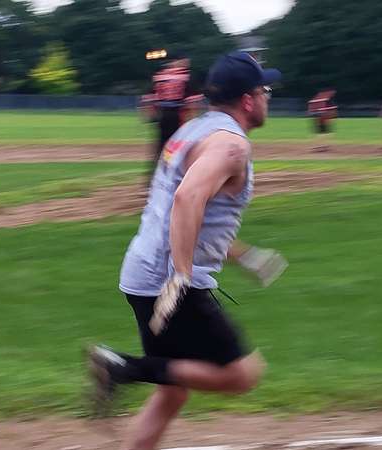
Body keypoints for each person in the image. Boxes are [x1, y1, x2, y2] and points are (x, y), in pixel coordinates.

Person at [88, 52, 287, 450]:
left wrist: (243, 255)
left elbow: (196, 217)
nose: (268, 97)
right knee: (241, 375)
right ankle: (122, 367)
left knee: (174, 387)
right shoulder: (231, 146)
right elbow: (187, 198)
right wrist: (181, 275)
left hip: (141, 274)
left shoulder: (193, 131)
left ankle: (127, 371)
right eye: (264, 90)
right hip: (169, 283)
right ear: (248, 100)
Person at [141, 53, 204, 179]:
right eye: (185, 61)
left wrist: (151, 116)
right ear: (178, 61)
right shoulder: (186, 76)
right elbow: (193, 102)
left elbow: (147, 99)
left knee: (160, 149)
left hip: (163, 115)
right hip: (178, 116)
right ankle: (183, 178)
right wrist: (194, 120)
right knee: (183, 147)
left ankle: (152, 181)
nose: (186, 64)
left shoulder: (159, 76)